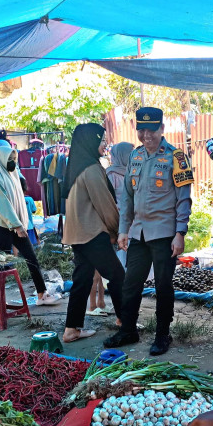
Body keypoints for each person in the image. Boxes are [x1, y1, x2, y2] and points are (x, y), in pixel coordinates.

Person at [104, 107, 193, 356]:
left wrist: (180, 233)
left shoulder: (177, 157)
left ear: (161, 129)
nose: (146, 135)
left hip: (164, 234)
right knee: (130, 283)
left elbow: (183, 199)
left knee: (163, 286)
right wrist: (123, 231)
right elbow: (128, 199)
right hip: (138, 233)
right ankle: (128, 330)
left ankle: (163, 334)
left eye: (151, 130)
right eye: (141, 130)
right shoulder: (136, 156)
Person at [61, 123, 125, 343]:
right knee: (117, 275)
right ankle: (124, 320)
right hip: (92, 233)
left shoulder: (75, 166)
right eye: (101, 139)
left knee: (82, 279)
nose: (105, 144)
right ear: (90, 141)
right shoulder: (92, 169)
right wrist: (117, 231)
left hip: (76, 234)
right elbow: (105, 204)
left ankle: (71, 329)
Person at [0, 145, 60, 306]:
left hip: (17, 225)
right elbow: (3, 205)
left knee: (31, 257)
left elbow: (19, 200)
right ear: (0, 160)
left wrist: (21, 224)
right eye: (9, 160)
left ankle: (42, 294)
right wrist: (17, 226)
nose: (12, 162)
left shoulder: (11, 174)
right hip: (1, 226)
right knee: (2, 263)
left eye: (14, 159)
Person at [105, 141, 134, 268]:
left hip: (137, 221)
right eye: (130, 153)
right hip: (121, 222)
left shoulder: (135, 171)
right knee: (124, 259)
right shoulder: (111, 175)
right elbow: (108, 201)